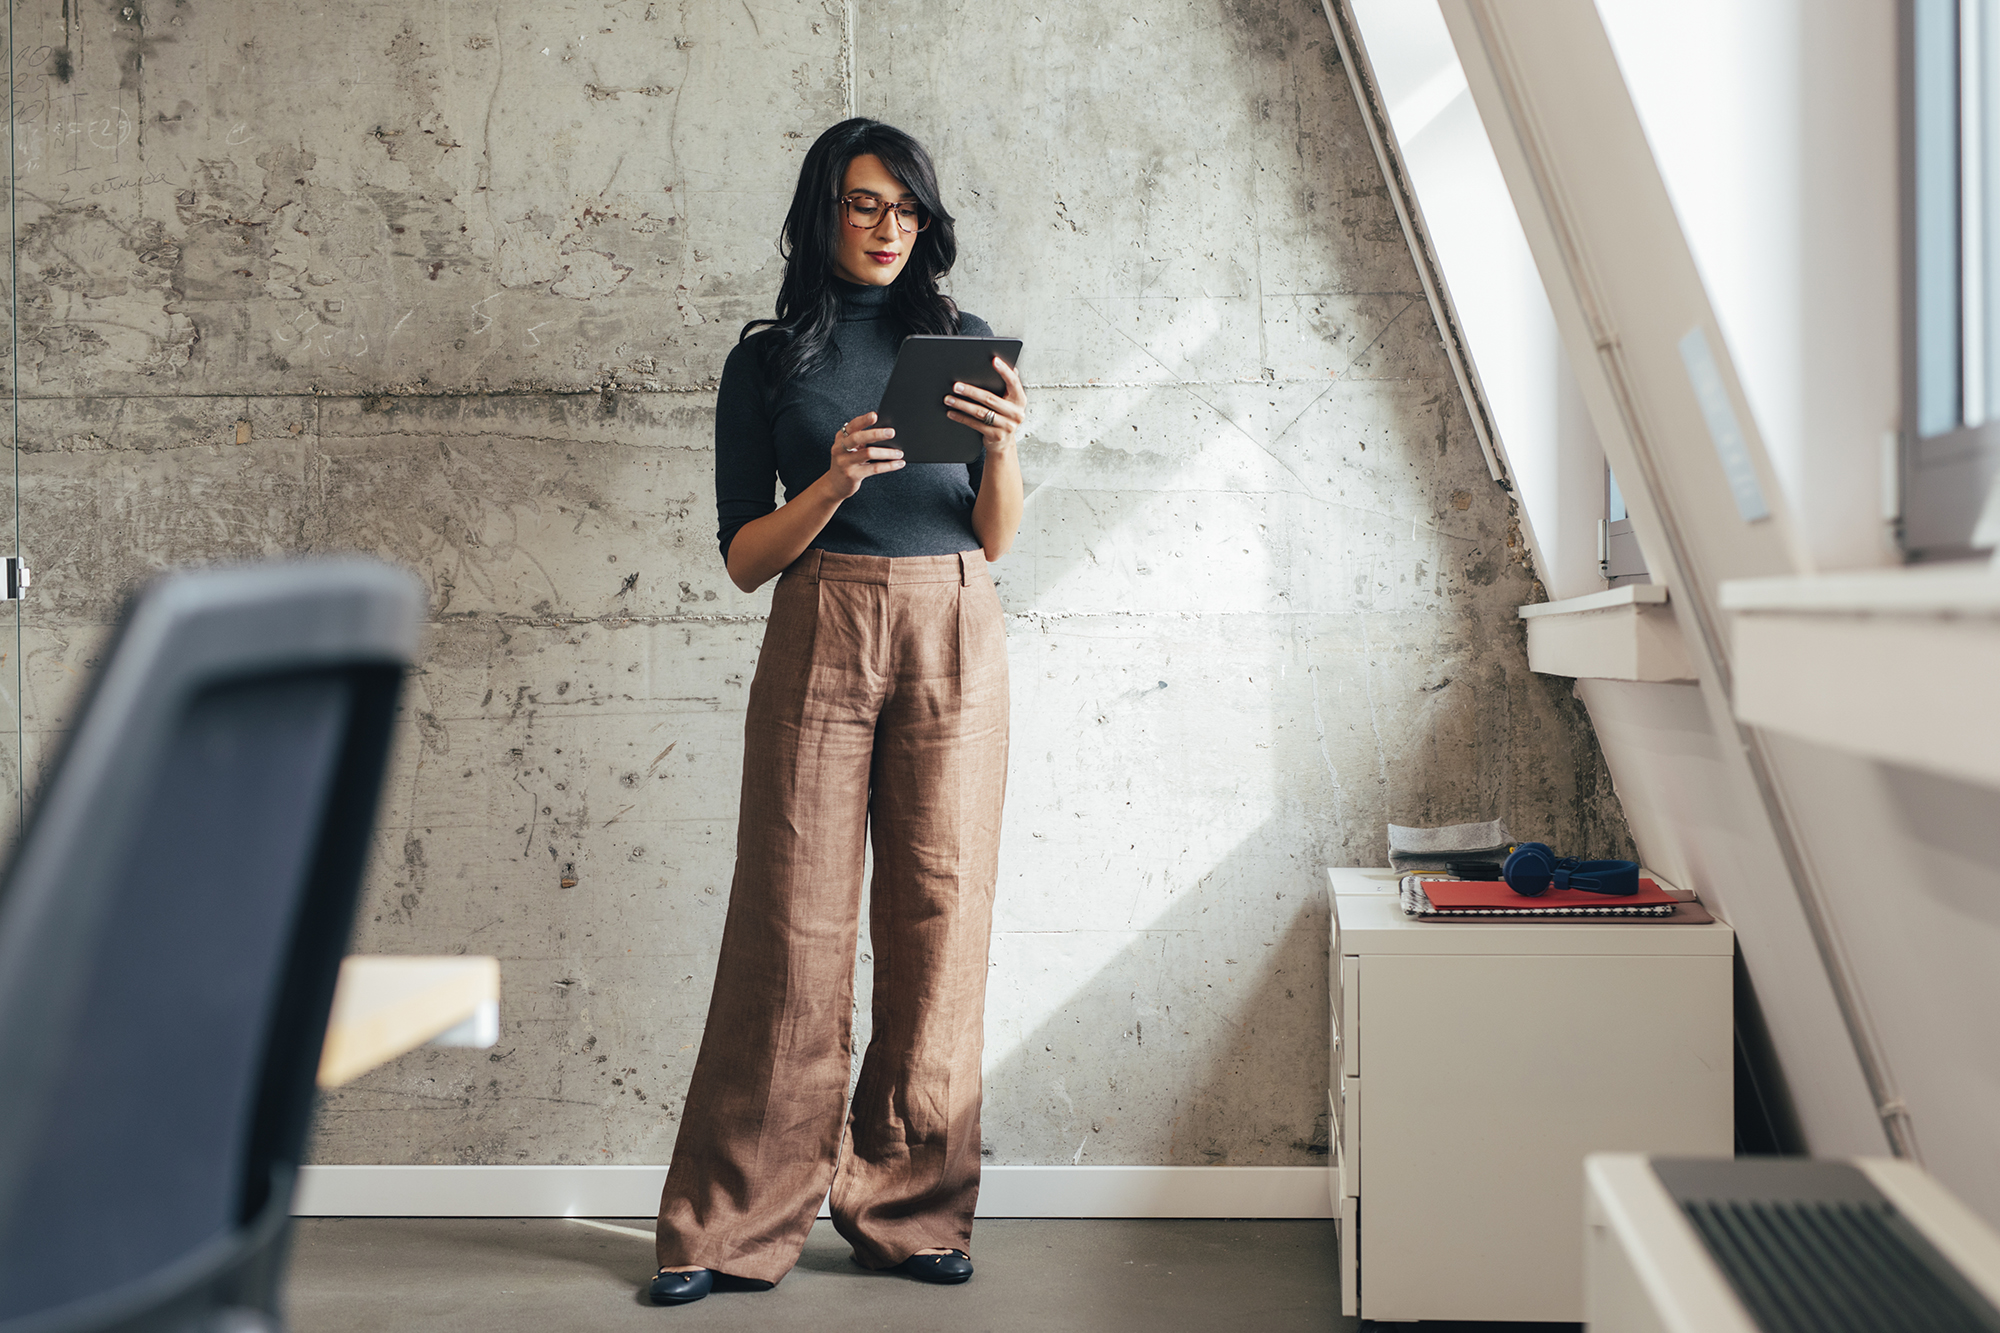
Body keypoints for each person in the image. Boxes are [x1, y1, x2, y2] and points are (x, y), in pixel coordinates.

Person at [648, 117, 1026, 1306]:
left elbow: (990, 535)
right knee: (789, 925)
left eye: (904, 210)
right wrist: (832, 482)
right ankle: (728, 1224)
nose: (885, 229)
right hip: (818, 616)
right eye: (864, 206)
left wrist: (1007, 450)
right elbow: (742, 555)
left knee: (938, 918)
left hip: (953, 623)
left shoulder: (959, 342)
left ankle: (911, 1210)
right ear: (821, 213)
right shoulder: (766, 359)